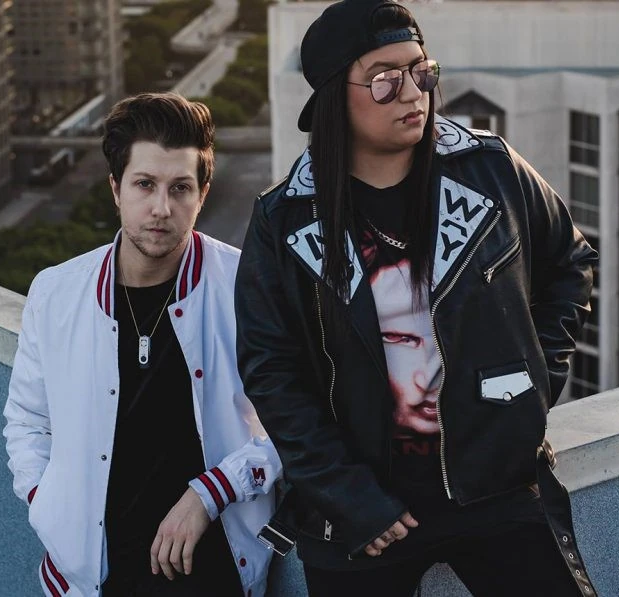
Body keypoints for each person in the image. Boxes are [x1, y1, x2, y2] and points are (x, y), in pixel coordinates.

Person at [234, 1, 598, 596]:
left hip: (497, 482)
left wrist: (534, 381)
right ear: (334, 98)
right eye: (384, 79)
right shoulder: (286, 220)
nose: (412, 93)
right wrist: (348, 495)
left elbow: (570, 261)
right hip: (362, 509)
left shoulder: (489, 170)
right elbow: (271, 372)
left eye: (420, 70)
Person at [4, 92, 281, 597]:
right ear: (116, 188)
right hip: (90, 576)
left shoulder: (246, 287)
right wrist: (47, 502)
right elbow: (27, 419)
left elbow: (295, 421)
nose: (161, 208)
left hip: (210, 573)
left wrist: (211, 492)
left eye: (180, 188)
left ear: (203, 193)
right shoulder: (56, 292)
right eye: (144, 184)